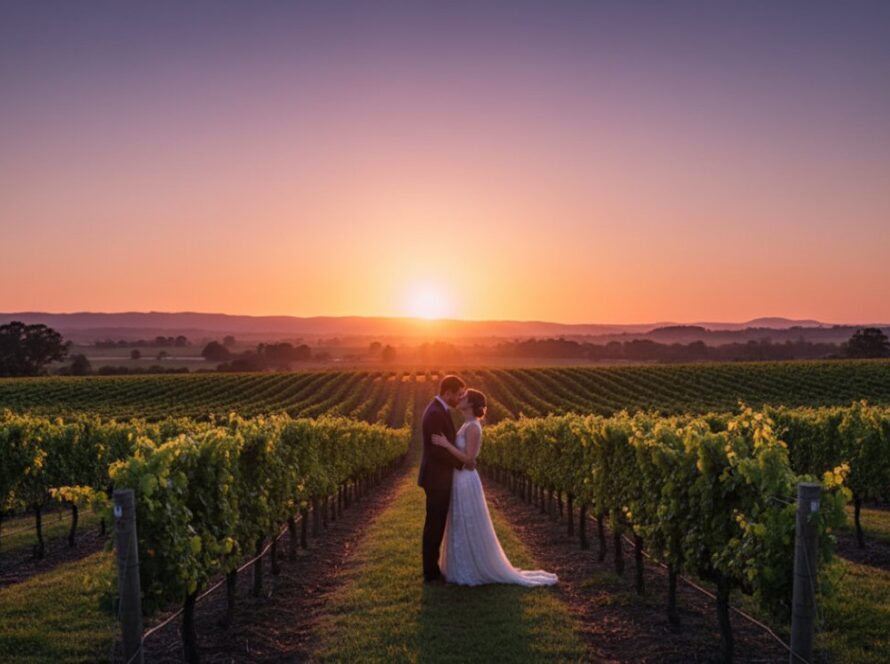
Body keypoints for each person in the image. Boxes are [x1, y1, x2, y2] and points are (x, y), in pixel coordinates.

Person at [432, 388, 558, 587]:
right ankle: (461, 566)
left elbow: (470, 459)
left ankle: (472, 568)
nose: (460, 398)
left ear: (471, 404)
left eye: (463, 396)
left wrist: (447, 445)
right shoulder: (466, 424)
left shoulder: (473, 427)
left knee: (468, 519)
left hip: (466, 479)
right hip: (460, 477)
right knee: (460, 520)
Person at [418, 374, 474, 583]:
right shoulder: (435, 413)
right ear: (447, 392)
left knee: (436, 523)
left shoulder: (439, 409)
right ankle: (430, 573)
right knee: (434, 524)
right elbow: (436, 452)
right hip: (435, 479)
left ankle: (431, 570)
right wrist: (462, 463)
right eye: (457, 394)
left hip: (438, 477)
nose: (459, 398)